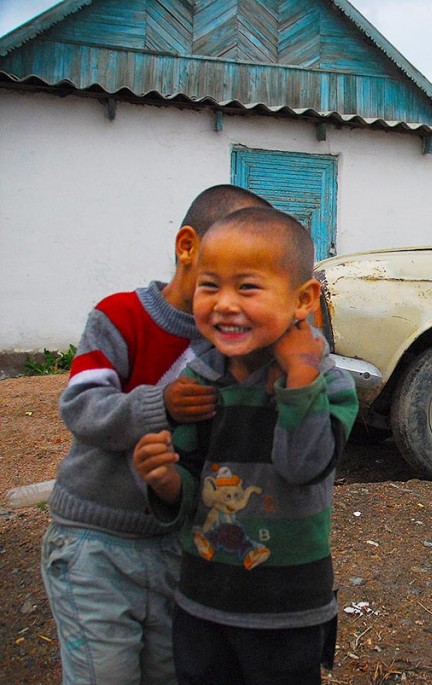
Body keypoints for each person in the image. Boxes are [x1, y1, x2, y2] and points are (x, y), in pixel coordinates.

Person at [42, 185, 271, 685]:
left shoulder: (232, 349)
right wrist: (158, 404)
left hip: (174, 548)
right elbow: (81, 407)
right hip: (94, 543)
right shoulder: (120, 317)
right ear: (188, 247)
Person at [133, 206, 358, 684]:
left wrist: (299, 376)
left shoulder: (328, 385)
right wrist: (166, 480)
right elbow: (193, 489)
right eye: (209, 286)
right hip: (202, 601)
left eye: (248, 287)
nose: (224, 304)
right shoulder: (200, 380)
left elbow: (303, 467)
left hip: (287, 608)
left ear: (303, 300)